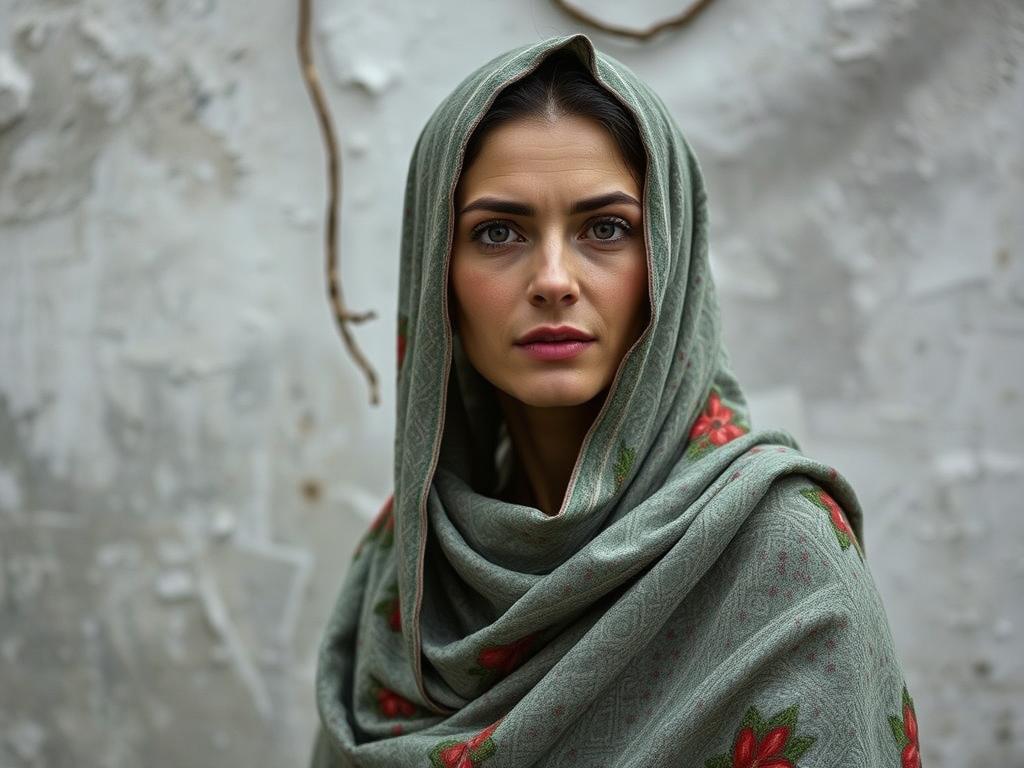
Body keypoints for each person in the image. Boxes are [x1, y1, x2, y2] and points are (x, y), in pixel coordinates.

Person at [310, 33, 921, 768]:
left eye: (606, 228)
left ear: (667, 260)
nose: (554, 279)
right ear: (436, 275)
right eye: (498, 232)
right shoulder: (413, 564)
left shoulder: (785, 567)